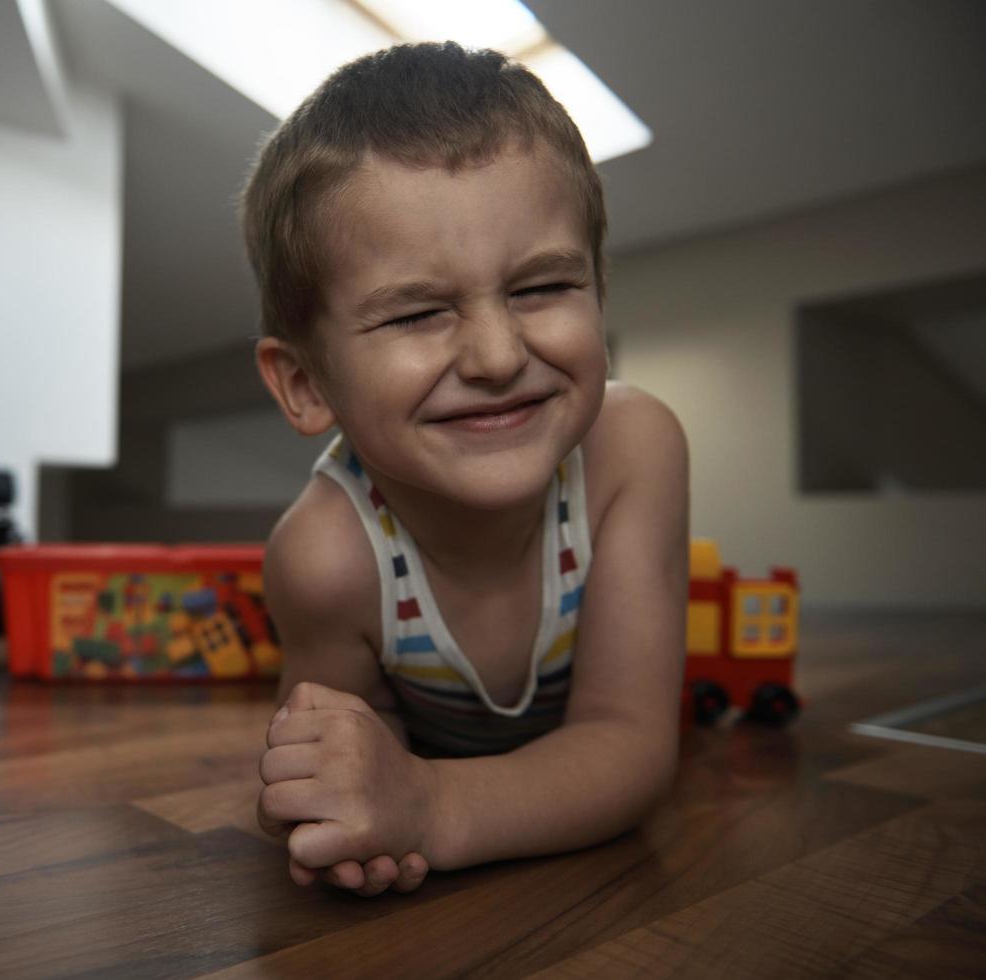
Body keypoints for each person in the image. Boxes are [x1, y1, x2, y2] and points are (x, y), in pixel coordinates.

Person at [243, 42, 689, 898]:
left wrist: (432, 807)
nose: (495, 355)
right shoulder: (326, 558)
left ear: (598, 288)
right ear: (305, 384)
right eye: (416, 311)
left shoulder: (636, 451)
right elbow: (342, 757)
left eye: (540, 289)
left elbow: (628, 745)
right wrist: (332, 799)